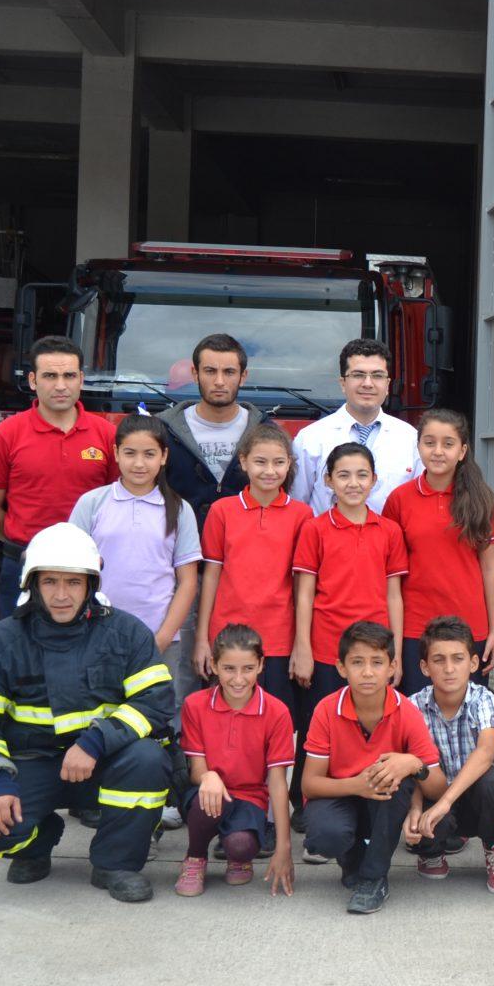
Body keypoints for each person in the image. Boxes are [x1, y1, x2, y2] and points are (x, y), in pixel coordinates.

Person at [0, 523, 178, 903]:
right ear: (31, 585)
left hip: (103, 762)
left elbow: (154, 699)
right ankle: (37, 841)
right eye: (50, 582)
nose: (61, 595)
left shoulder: (125, 634)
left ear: (91, 584)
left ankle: (116, 863)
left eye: (73, 582)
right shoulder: (4, 641)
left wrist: (95, 741)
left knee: (149, 759)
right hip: (32, 765)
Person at [68, 415, 202, 827]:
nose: (139, 463)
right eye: (129, 453)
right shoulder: (93, 503)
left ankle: (160, 795)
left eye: (149, 454)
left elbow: (187, 581)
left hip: (159, 638)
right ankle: (94, 795)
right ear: (115, 454)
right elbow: (73, 569)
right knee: (100, 712)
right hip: (98, 635)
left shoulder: (178, 509)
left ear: (164, 457)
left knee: (161, 717)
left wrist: (162, 636)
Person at [291, 442, 406, 849]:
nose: (353, 483)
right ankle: (308, 804)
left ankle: (371, 804)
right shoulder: (315, 528)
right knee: (319, 728)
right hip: (325, 649)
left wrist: (397, 655)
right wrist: (301, 647)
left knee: (371, 728)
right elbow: (304, 593)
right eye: (343, 475)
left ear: (374, 480)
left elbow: (394, 594)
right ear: (328, 481)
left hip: (375, 651)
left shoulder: (389, 531)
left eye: (362, 475)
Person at [196, 425, 312, 823]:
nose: (269, 470)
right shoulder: (222, 510)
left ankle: (275, 808)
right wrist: (202, 640)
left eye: (279, 462)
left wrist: (301, 643)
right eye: (260, 461)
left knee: (276, 727)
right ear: (243, 462)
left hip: (278, 640)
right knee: (229, 728)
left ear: (290, 466)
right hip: (228, 640)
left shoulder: (301, 514)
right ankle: (233, 808)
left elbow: (302, 585)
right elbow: (210, 575)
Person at [299, 621, 440, 915]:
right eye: (357, 662)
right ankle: (353, 861)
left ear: (392, 667)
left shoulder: (406, 711)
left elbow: (438, 785)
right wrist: (356, 785)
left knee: (394, 777)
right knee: (325, 836)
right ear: (340, 667)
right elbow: (309, 784)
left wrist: (414, 763)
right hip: (341, 796)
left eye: (377, 662)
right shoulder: (326, 709)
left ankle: (374, 877)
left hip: (383, 804)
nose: (367, 672)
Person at [0, 336, 117, 618]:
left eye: (69, 375)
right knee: (20, 655)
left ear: (81, 379)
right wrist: (33, 545)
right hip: (24, 563)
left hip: (88, 566)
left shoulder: (106, 434)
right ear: (33, 380)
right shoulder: (7, 434)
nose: (61, 385)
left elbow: (117, 504)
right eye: (50, 376)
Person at [384, 409, 494, 695]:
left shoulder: (481, 500)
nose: (438, 451)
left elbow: (490, 569)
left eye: (448, 444)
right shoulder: (400, 499)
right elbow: (392, 576)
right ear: (419, 446)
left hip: (469, 627)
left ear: (462, 451)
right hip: (415, 629)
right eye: (429, 442)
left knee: (467, 718)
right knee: (415, 722)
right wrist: (394, 641)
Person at [175, 622, 295, 898]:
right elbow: (196, 768)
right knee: (208, 803)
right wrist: (208, 776)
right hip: (206, 793)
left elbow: (278, 782)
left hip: (250, 797)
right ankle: (195, 857)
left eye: (248, 669)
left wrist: (284, 847)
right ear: (214, 666)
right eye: (229, 668)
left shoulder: (276, 712)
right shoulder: (195, 705)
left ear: (261, 665)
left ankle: (237, 856)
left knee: (240, 845)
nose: (238, 679)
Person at [404, 617, 494, 893]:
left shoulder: (483, 698)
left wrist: (446, 801)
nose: (449, 669)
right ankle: (431, 853)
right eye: (438, 660)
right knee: (417, 797)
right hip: (435, 795)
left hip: (476, 796)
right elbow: (414, 768)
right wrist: (416, 810)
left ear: (473, 663)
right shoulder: (413, 706)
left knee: (493, 784)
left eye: (458, 658)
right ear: (424, 666)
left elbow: (486, 750)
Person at [292, 339, 420, 518]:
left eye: (377, 375)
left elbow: (417, 506)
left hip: (390, 545)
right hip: (327, 544)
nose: (368, 383)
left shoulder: (411, 439)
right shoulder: (310, 438)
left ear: (388, 385)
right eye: (358, 374)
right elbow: (297, 506)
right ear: (343, 383)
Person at [157, 333, 265, 525]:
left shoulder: (265, 433)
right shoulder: (161, 431)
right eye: (210, 371)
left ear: (243, 377)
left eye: (229, 372)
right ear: (195, 374)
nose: (219, 381)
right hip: (178, 549)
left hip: (244, 549)